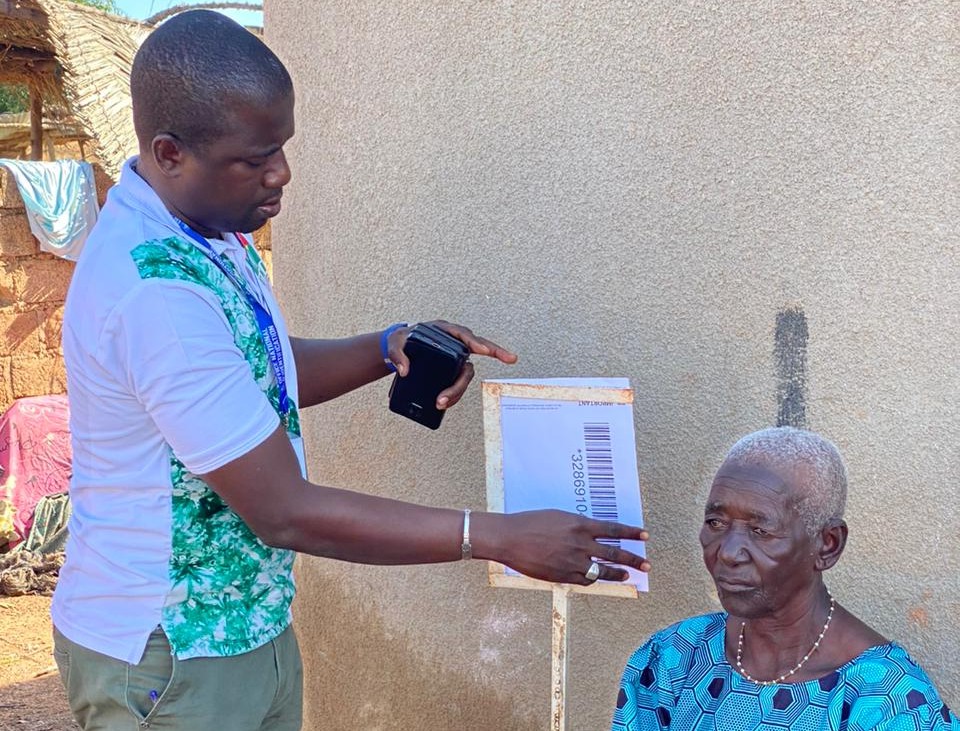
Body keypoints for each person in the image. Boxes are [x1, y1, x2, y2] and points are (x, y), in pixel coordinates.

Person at [50, 10, 650, 731]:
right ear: (170, 152)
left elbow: (250, 372)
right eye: (256, 158)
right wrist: (495, 535)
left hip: (246, 625)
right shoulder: (154, 293)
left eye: (284, 148)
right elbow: (282, 509)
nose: (282, 175)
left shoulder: (207, 231)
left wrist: (382, 347)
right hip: (168, 656)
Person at [612, 426, 958, 731]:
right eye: (716, 523)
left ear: (827, 545)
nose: (729, 552)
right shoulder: (673, 658)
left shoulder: (886, 700)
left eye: (760, 530)